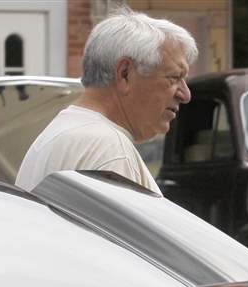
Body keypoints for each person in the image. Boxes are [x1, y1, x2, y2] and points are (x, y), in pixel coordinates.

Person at [15, 7, 195, 193]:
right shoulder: (110, 150)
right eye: (174, 78)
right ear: (125, 74)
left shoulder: (60, 133)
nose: (185, 94)